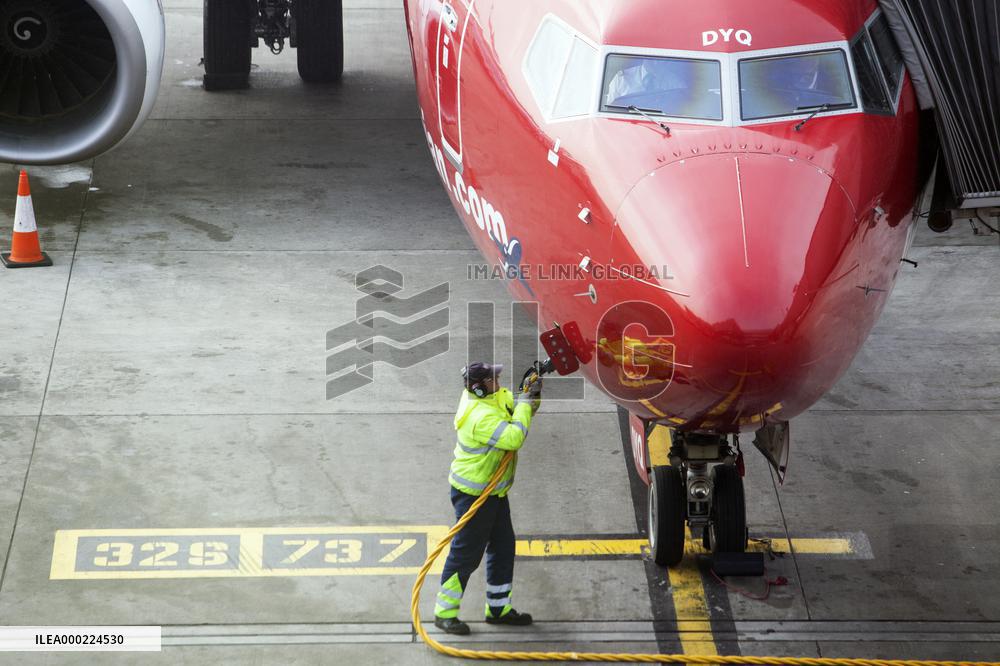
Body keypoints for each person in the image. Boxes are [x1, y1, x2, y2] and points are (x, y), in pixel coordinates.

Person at [433, 362, 543, 635]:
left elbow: (517, 409)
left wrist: (530, 395)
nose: (498, 380)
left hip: (493, 493)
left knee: (503, 546)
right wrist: (525, 404)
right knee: (466, 554)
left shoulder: (493, 397)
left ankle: (498, 609)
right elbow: (514, 436)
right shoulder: (478, 415)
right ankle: (444, 613)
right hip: (474, 495)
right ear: (479, 387)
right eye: (493, 378)